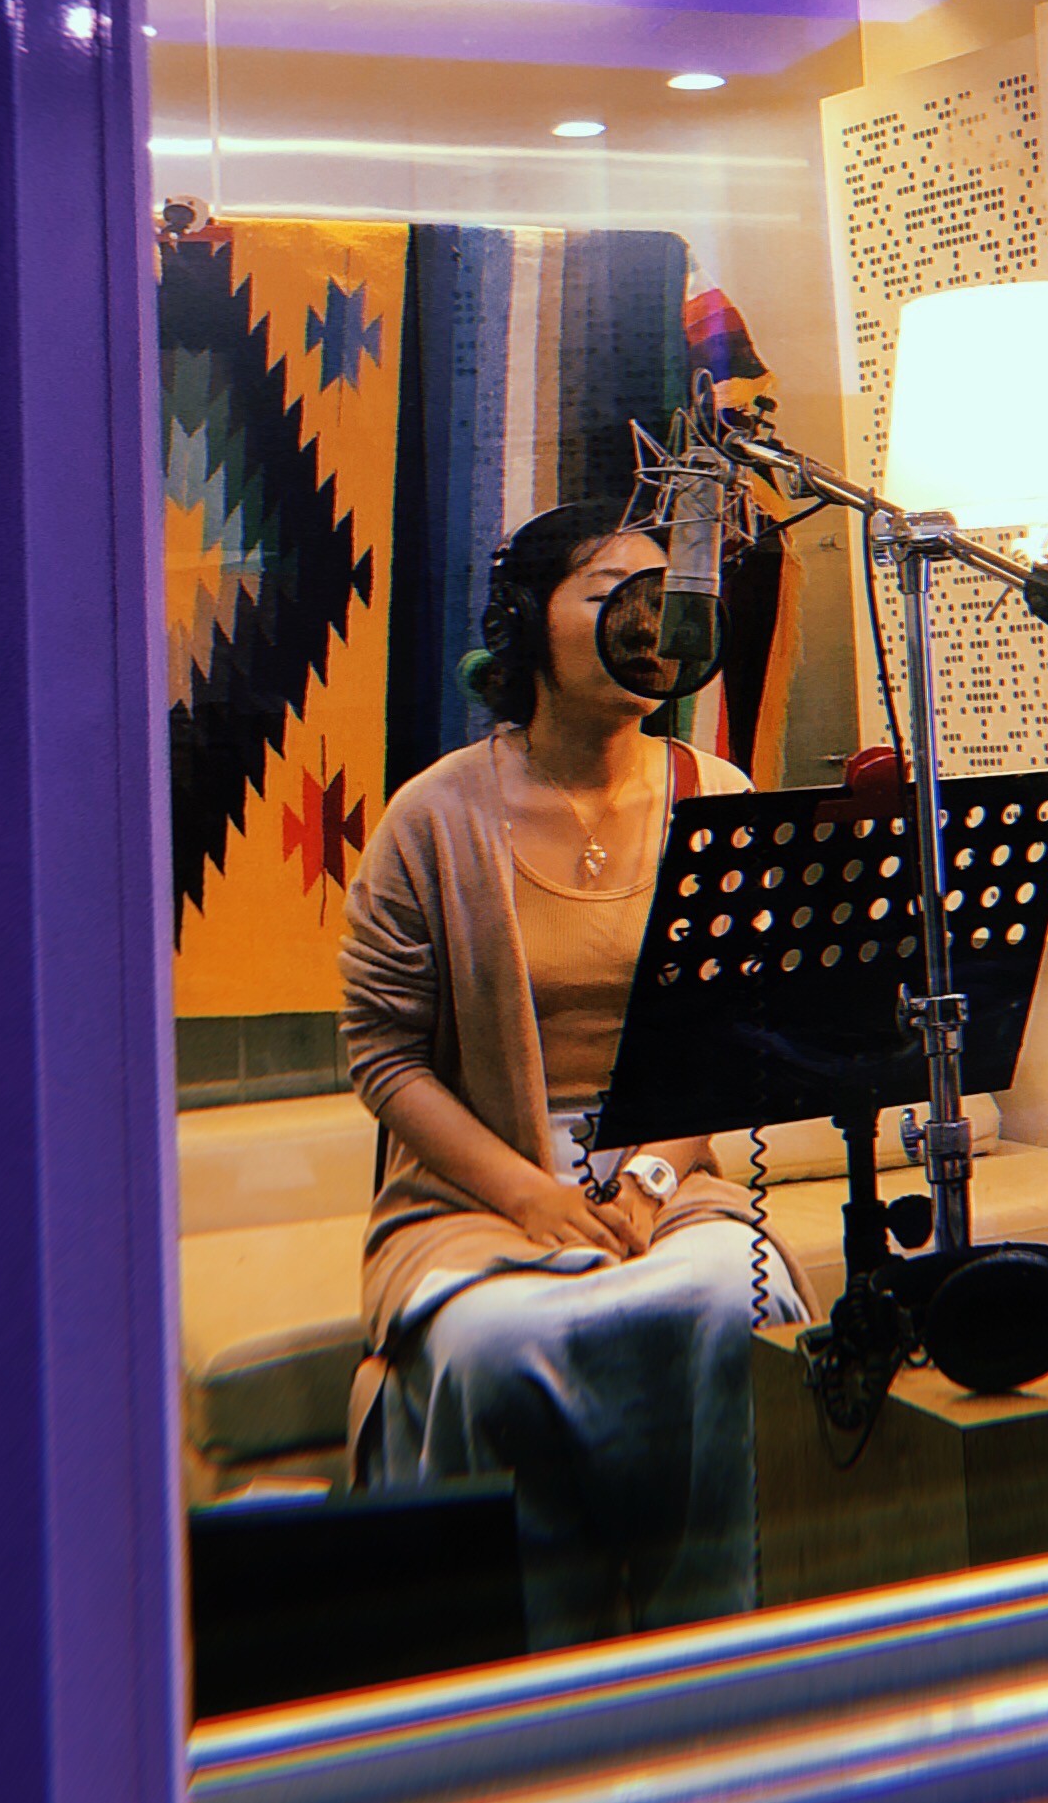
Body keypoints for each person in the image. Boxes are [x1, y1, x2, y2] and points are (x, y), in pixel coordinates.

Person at [339, 499, 808, 1645]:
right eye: (611, 597)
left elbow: (736, 1035)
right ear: (525, 628)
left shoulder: (720, 798)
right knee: (496, 1350)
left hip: (670, 1169)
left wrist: (647, 1176)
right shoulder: (431, 818)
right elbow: (385, 1054)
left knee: (725, 1310)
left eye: (665, 598)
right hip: (473, 1194)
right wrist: (529, 1195)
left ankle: (716, 1673)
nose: (648, 624)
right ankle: (529, 1695)